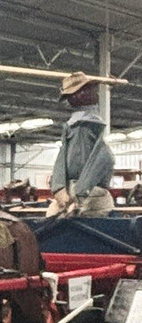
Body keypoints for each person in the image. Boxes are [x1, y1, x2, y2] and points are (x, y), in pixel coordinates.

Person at [46, 72, 114, 217]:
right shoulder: (80, 126)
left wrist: (78, 193)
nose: (93, 93)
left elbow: (101, 159)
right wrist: (65, 190)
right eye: (88, 90)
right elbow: (101, 159)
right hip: (80, 190)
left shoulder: (84, 125)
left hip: (84, 192)